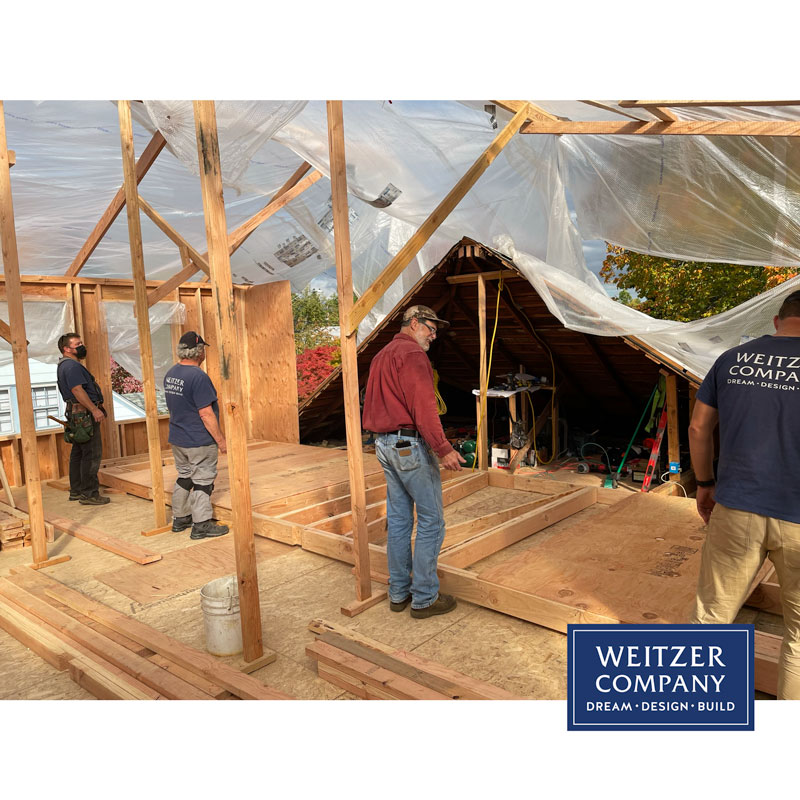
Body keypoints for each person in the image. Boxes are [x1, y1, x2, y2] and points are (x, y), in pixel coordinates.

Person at [688, 289, 800, 700]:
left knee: (713, 619)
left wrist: (704, 484)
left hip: (736, 508)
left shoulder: (732, 360)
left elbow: (699, 429)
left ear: (776, 320)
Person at [362, 305, 467, 619]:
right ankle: (424, 598)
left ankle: (398, 593)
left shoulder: (382, 355)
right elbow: (424, 407)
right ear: (414, 323)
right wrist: (443, 448)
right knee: (432, 522)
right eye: (430, 329)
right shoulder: (412, 356)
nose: (434, 336)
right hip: (409, 446)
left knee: (399, 521)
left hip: (384, 445)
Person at [164, 331, 229, 540]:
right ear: (199, 352)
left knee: (185, 476)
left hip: (178, 437)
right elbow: (206, 413)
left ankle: (181, 518)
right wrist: (221, 440)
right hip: (198, 439)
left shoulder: (172, 373)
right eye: (203, 350)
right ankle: (201, 525)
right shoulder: (198, 377)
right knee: (203, 481)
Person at [56, 332, 110, 505]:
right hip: (84, 414)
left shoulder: (65, 365)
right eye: (77, 344)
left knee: (78, 452)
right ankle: (89, 494)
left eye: (81, 343)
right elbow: (78, 390)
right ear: (66, 349)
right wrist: (94, 409)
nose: (81, 346)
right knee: (91, 454)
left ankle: (77, 491)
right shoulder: (71, 367)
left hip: (76, 413)